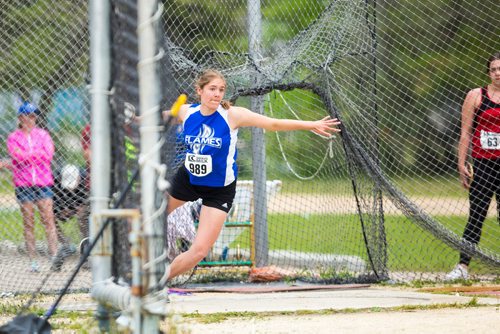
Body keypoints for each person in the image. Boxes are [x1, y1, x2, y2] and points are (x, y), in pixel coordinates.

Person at [163, 69, 341, 280]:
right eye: (212, 89)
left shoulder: (233, 115)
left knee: (200, 250)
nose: (217, 94)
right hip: (188, 179)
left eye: (221, 90)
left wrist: (311, 124)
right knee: (149, 218)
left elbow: (272, 124)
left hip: (218, 190)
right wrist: (130, 118)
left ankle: (156, 283)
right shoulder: (186, 112)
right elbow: (159, 117)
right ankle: (130, 268)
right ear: (199, 90)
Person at [445, 52, 500, 280]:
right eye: (494, 69)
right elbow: (466, 132)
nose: (498, 73)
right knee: (476, 215)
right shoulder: (476, 95)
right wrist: (461, 163)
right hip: (483, 163)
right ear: (488, 73)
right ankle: (462, 267)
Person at [5, 101, 61, 272]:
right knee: (28, 222)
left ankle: (54, 256)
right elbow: (16, 156)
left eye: (33, 116)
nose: (31, 119)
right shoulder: (14, 137)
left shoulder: (43, 135)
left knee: (48, 220)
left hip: (43, 183)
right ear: (20, 118)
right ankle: (33, 262)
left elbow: (48, 155)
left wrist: (25, 157)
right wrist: (34, 155)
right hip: (24, 184)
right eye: (27, 116)